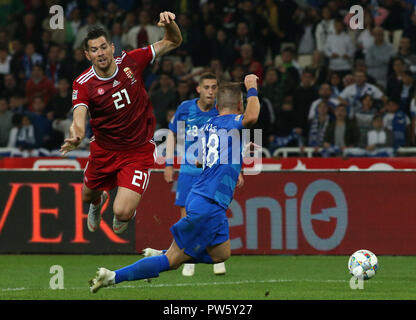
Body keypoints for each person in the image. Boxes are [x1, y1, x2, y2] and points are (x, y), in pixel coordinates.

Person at [88, 74, 260, 294]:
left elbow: (200, 160)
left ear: (217, 104)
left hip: (208, 201)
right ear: (239, 104)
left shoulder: (209, 125)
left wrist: (238, 151)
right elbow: (252, 117)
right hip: (208, 202)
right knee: (172, 261)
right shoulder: (231, 122)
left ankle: (162, 254)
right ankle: (112, 276)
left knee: (221, 254)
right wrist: (252, 87)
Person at [60, 12, 182, 235]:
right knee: (87, 197)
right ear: (87, 55)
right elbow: (79, 117)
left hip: (137, 150)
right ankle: (98, 202)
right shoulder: (83, 84)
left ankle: (125, 211)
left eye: (104, 47)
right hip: (105, 150)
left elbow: (173, 41)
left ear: (112, 47)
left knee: (122, 214)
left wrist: (170, 24)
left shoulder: (131, 61)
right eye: (94, 50)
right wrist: (77, 135)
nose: (101, 53)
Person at [162, 72, 239, 277]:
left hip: (215, 171)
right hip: (189, 169)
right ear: (198, 89)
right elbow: (172, 133)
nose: (211, 91)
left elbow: (233, 141)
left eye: (214, 87)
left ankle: (216, 260)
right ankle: (188, 259)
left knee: (216, 209)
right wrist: (169, 163)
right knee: (186, 212)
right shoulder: (185, 108)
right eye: (207, 87)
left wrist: (238, 169)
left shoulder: (221, 112)